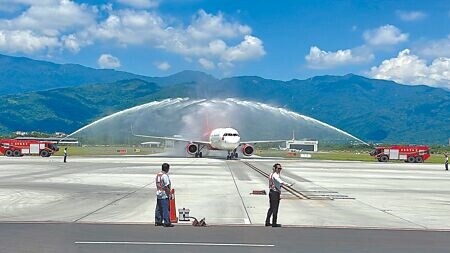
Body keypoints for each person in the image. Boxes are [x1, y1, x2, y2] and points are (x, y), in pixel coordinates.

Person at [265, 163, 293, 227]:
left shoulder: (271, 174)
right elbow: (280, 182)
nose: (280, 170)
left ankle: (267, 222)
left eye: (280, 168)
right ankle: (274, 223)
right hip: (275, 193)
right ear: (275, 169)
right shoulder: (275, 175)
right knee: (275, 208)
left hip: (272, 192)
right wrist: (288, 185)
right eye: (278, 168)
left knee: (271, 208)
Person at [155, 163, 174, 227]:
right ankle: (167, 222)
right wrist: (170, 194)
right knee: (165, 209)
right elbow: (166, 186)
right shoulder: (165, 176)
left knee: (159, 208)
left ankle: (158, 221)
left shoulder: (158, 175)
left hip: (158, 193)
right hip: (164, 194)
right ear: (167, 169)